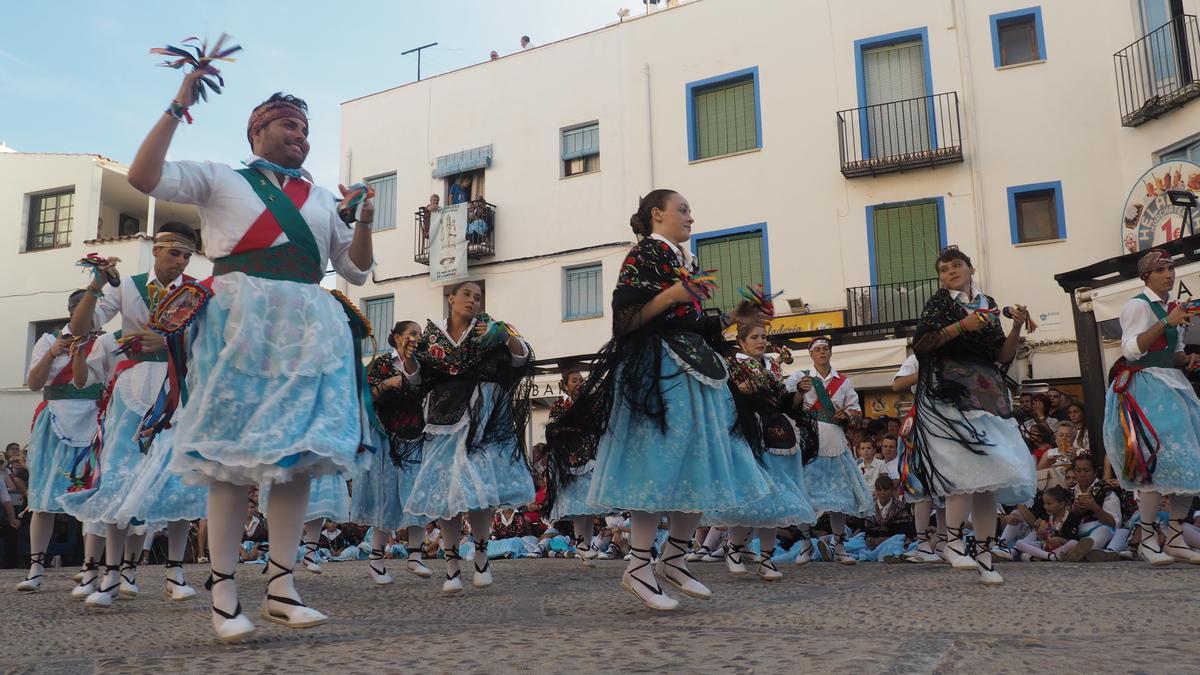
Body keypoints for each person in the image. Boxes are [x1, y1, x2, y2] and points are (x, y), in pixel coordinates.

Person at [126, 71, 376, 641]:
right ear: (255, 130)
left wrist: (361, 221)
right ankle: (222, 594)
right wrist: (177, 104)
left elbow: (358, 270)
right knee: (230, 458)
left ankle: (283, 588)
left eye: (307, 129)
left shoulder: (319, 197)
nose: (302, 136)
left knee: (298, 456)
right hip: (239, 321)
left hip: (308, 325)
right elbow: (144, 177)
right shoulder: (219, 178)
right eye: (289, 124)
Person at [545, 189, 770, 611]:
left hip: (693, 368)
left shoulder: (685, 260)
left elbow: (696, 325)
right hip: (659, 372)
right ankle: (637, 566)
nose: (690, 217)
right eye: (682, 210)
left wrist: (735, 316)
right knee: (658, 462)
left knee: (699, 460)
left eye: (690, 210)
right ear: (657, 214)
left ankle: (675, 557)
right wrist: (673, 295)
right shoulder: (644, 255)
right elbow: (626, 319)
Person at [59, 225, 206, 607]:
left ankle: (174, 572)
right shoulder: (125, 286)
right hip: (130, 388)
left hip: (176, 387)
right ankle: (110, 574)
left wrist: (171, 340)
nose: (181, 261)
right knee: (118, 473)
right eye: (175, 253)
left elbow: (208, 342)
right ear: (156, 250)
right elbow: (81, 327)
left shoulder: (197, 292)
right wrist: (96, 284)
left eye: (187, 255)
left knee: (178, 477)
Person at [902, 247, 1036, 586]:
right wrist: (961, 325)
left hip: (987, 391)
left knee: (989, 477)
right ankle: (953, 541)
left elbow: (1000, 354)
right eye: (944, 269)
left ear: (971, 268)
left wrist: (1016, 328)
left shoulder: (987, 302)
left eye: (956, 265)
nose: (950, 272)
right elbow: (923, 344)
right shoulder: (940, 303)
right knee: (965, 470)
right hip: (950, 392)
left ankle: (986, 554)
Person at [398, 280, 536, 593]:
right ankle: (451, 568)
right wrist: (407, 359)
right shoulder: (431, 338)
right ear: (450, 298)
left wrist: (507, 336)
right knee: (446, 495)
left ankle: (482, 559)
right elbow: (417, 377)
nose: (472, 300)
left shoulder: (489, 330)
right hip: (442, 418)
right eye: (466, 294)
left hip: (483, 419)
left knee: (480, 488)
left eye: (477, 296)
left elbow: (520, 358)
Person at [1103, 248, 1200, 566]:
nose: (1169, 274)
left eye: (1171, 268)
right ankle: (1146, 538)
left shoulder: (1174, 307)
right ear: (1146, 276)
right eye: (1161, 270)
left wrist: (1186, 359)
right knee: (1152, 461)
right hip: (1146, 388)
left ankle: (1173, 536)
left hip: (1173, 384)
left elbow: (1173, 353)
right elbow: (1131, 350)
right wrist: (1165, 322)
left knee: (1191, 460)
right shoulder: (1137, 305)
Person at [705, 324, 817, 581]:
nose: (761, 341)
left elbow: (786, 404)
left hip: (777, 431)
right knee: (751, 494)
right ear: (742, 343)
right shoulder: (733, 365)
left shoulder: (774, 368)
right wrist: (739, 392)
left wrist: (799, 392)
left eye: (764, 337)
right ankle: (734, 548)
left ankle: (766, 558)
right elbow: (722, 397)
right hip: (748, 431)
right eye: (754, 337)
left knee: (776, 499)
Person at [16, 290, 105, 594]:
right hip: (54, 421)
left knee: (93, 499)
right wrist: (54, 352)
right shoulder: (47, 340)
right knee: (42, 500)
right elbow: (34, 383)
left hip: (94, 423)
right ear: (71, 313)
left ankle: (89, 568)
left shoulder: (105, 342)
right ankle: (36, 567)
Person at [352, 320, 434, 584]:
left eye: (419, 334)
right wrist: (387, 384)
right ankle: (376, 561)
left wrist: (409, 360)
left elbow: (417, 379)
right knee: (384, 496)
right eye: (412, 333)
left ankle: (415, 556)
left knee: (416, 493)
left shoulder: (421, 362)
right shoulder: (380, 364)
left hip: (412, 436)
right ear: (397, 336)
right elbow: (365, 396)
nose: (416, 337)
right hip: (385, 436)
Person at [785, 337, 872, 565]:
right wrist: (798, 393)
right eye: (818, 350)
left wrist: (849, 415)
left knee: (840, 499)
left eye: (826, 349)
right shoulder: (800, 376)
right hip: (807, 441)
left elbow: (857, 411)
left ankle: (839, 546)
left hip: (835, 441)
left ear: (831, 353)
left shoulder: (843, 382)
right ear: (811, 354)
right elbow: (785, 405)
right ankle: (805, 544)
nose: (822, 353)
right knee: (805, 497)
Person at [543, 364, 606, 568]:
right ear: (565, 385)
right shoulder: (560, 405)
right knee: (579, 504)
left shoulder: (590, 403)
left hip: (589, 456)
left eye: (581, 380)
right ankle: (581, 544)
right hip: (568, 461)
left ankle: (584, 548)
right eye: (574, 380)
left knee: (588, 506)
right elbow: (552, 431)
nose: (579, 383)